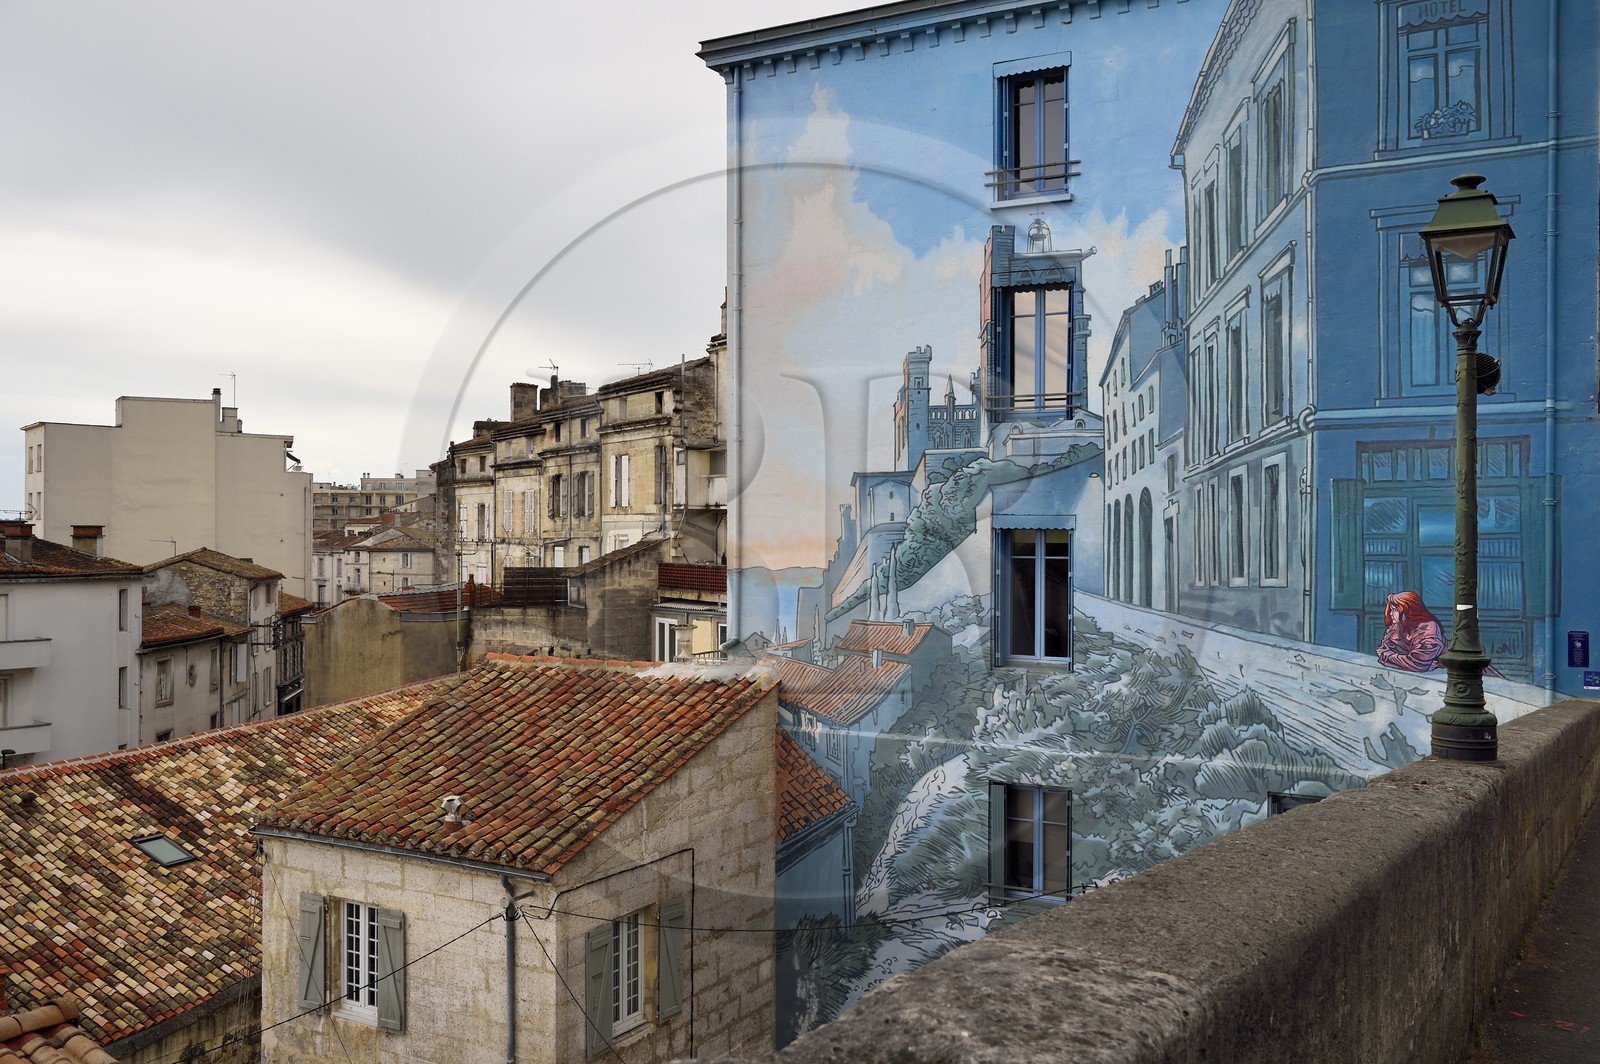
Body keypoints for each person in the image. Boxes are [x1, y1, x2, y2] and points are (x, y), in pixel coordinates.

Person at [1376, 591, 1445, 673]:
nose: (1390, 614)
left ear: (1408, 610)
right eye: (1391, 610)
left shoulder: (1429, 627)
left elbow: (1417, 664)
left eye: (1395, 610)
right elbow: (1381, 651)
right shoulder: (1397, 626)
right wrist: (1412, 664)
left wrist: (1388, 657)